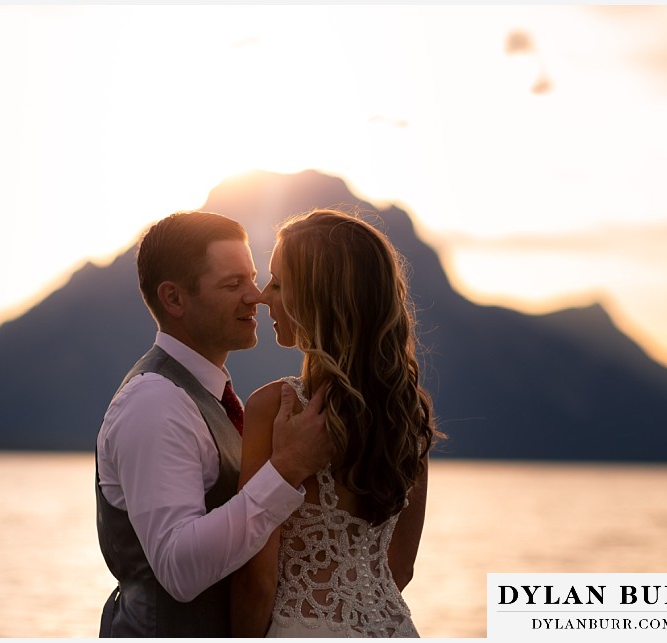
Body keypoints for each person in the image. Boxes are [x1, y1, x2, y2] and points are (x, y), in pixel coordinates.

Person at [95, 211, 335, 637]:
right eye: (233, 284)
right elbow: (178, 569)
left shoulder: (213, 396)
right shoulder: (153, 402)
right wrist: (287, 468)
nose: (257, 297)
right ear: (174, 299)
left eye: (254, 278)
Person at [231, 209, 442, 637]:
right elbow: (401, 566)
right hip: (391, 627)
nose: (262, 297)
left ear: (316, 298)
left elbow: (257, 583)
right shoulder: (406, 412)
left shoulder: (274, 407)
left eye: (278, 284)